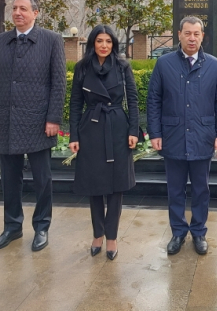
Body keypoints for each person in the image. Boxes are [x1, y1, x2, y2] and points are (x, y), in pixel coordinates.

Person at [0, 0, 66, 252]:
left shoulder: (51, 41)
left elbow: (59, 83)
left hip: (39, 121)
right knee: (10, 178)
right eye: (14, 8)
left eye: (23, 9)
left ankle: (41, 227)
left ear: (35, 13)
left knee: (42, 179)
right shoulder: (1, 42)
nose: (17, 13)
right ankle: (12, 227)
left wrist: (53, 118)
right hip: (6, 120)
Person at [147, 16, 217, 255]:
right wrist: (155, 132)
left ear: (203, 36)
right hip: (173, 135)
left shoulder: (214, 65)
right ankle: (178, 232)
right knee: (175, 189)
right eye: (187, 33)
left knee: (201, 189)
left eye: (196, 33)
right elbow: (154, 100)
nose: (192, 38)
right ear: (179, 34)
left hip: (203, 136)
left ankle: (199, 232)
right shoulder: (164, 64)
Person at [68, 25, 139, 261]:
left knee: (116, 186)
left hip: (117, 127)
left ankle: (112, 237)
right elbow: (75, 103)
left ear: (114, 44)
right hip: (91, 128)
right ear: (92, 43)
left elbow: (134, 99)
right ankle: (97, 234)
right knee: (94, 184)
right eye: (100, 41)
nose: (104, 45)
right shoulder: (82, 68)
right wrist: (74, 136)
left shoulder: (122, 66)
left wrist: (133, 130)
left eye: (108, 41)